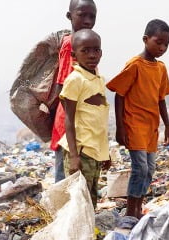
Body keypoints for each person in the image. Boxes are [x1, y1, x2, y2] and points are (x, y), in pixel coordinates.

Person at [106, 19, 169, 218]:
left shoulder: (160, 68)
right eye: (158, 42)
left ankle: (138, 206)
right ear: (145, 39)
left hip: (151, 126)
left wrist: (167, 126)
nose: (162, 47)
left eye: (166, 44)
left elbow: (161, 99)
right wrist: (120, 127)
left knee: (149, 169)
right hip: (134, 123)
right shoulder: (135, 65)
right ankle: (130, 211)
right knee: (140, 167)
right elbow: (120, 94)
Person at [58, 29, 110, 208]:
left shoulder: (99, 79)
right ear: (74, 55)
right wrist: (73, 156)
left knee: (91, 197)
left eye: (96, 50)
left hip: (95, 151)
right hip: (81, 151)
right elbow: (68, 120)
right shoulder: (75, 79)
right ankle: (76, 236)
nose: (92, 55)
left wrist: (106, 152)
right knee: (78, 201)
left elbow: (98, 120)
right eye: (85, 50)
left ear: (101, 53)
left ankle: (88, 234)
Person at [50, 0, 97, 183]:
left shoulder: (88, 44)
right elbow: (63, 85)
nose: (87, 20)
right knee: (66, 176)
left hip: (81, 123)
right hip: (69, 121)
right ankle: (62, 212)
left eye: (91, 16)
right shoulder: (72, 44)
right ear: (70, 16)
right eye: (82, 15)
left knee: (78, 176)